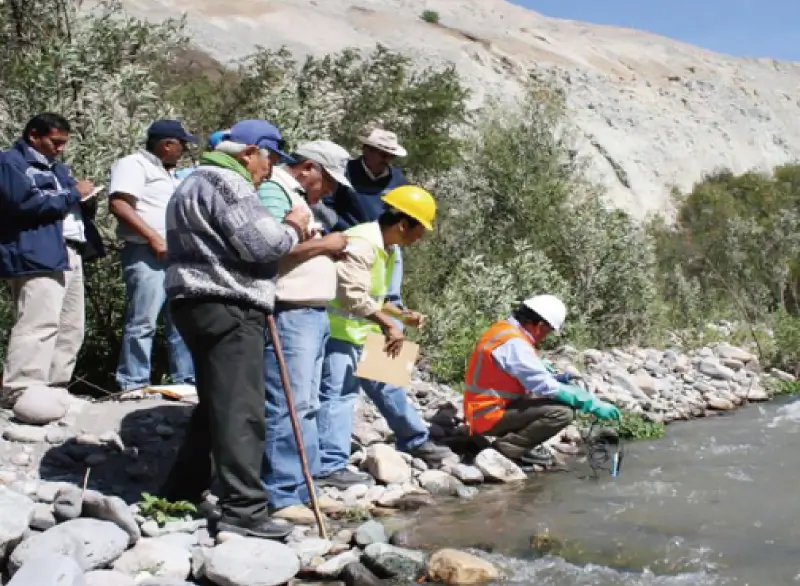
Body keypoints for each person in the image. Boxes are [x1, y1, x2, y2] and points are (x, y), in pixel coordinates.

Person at [159, 119, 311, 540]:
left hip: (192, 302)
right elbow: (263, 244)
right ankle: (244, 510)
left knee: (215, 406)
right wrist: (295, 225)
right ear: (249, 153)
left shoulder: (190, 182)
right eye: (271, 158)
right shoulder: (230, 183)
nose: (270, 169)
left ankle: (180, 493)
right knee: (243, 408)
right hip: (228, 302)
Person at [316, 185, 455, 489]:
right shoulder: (363, 242)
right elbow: (350, 294)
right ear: (403, 224)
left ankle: (415, 439)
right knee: (338, 398)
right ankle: (329, 465)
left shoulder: (389, 247)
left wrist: (401, 316)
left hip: (366, 329)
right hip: (342, 333)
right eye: (420, 230)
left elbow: (374, 296)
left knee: (390, 383)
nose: (421, 238)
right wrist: (388, 323)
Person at [258, 139, 352, 520]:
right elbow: (270, 249)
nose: (329, 191)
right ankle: (282, 493)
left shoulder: (299, 198)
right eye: (327, 181)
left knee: (307, 404)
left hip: (312, 313)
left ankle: (307, 484)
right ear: (309, 167)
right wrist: (327, 244)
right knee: (288, 403)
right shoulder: (275, 190)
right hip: (290, 311)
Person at [0, 113, 105, 402]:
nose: (60, 148)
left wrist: (86, 200)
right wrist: (73, 193)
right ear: (34, 135)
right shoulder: (11, 163)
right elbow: (23, 203)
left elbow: (65, 202)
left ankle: (55, 387)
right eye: (55, 141)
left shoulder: (58, 168)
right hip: (36, 250)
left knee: (71, 323)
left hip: (69, 249)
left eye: (64, 143)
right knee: (37, 321)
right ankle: (21, 389)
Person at [463, 295, 621, 468]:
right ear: (540, 325)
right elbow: (544, 385)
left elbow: (519, 370)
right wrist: (590, 403)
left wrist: (551, 374)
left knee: (556, 400)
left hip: (481, 408)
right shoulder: (514, 343)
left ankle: (517, 443)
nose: (546, 337)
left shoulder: (504, 330)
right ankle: (506, 449)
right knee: (561, 412)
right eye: (548, 332)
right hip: (487, 415)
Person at [109, 120, 197, 393]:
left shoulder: (170, 173)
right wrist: (153, 237)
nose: (183, 150)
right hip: (147, 252)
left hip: (177, 256)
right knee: (143, 320)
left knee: (181, 320)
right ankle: (133, 383)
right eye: (182, 145)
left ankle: (185, 381)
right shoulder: (133, 164)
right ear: (167, 144)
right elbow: (120, 203)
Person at [322, 128, 408, 312]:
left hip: (384, 245)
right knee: (349, 289)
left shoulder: (398, 180)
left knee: (390, 287)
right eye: (382, 153)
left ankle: (395, 317)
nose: (386, 159)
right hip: (347, 240)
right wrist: (342, 232)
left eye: (391, 155)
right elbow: (327, 204)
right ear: (366, 149)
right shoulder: (345, 171)